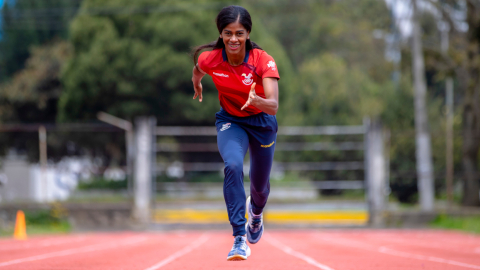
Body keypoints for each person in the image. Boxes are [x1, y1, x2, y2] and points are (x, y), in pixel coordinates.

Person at [191, 5, 280, 261]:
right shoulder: (211, 58)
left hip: (262, 122)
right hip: (231, 120)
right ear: (220, 34)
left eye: (239, 33)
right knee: (232, 165)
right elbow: (198, 70)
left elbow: (273, 105)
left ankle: (256, 215)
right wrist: (197, 85)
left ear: (248, 34)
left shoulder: (262, 60)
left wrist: (256, 101)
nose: (233, 39)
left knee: (259, 186)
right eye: (228, 33)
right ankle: (239, 238)